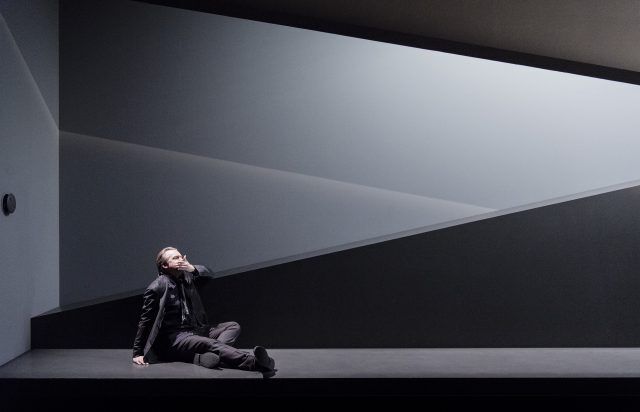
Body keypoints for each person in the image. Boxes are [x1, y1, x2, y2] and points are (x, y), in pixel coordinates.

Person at [132, 246, 276, 377]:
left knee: (233, 326)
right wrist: (137, 352)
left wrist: (192, 268)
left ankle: (207, 356)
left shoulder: (188, 277)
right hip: (175, 337)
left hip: (196, 330)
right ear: (165, 265)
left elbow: (209, 275)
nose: (181, 259)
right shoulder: (156, 287)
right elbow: (145, 321)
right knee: (210, 343)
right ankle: (257, 363)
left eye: (181, 256)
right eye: (175, 258)